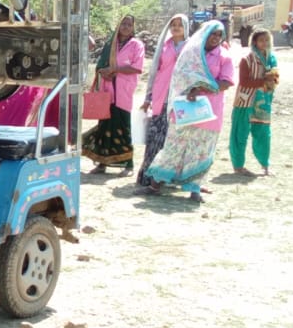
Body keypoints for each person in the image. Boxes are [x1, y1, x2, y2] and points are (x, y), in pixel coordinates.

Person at [142, 20, 235, 203]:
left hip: (209, 112)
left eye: (219, 34)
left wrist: (201, 88)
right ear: (204, 33)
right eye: (212, 33)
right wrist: (189, 89)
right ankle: (155, 185)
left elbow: (226, 82)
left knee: (200, 151)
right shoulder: (191, 53)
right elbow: (179, 74)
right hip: (184, 108)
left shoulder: (224, 56)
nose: (216, 37)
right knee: (173, 147)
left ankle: (195, 190)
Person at [81, 14, 145, 174]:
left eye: (129, 24)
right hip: (107, 91)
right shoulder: (111, 44)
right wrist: (103, 71)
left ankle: (128, 164)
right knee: (104, 127)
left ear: (133, 27)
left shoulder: (136, 45)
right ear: (118, 25)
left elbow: (137, 67)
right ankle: (102, 163)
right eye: (123, 23)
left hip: (123, 91)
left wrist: (115, 69)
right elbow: (100, 65)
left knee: (123, 127)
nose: (126, 27)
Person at [135, 13, 187, 188]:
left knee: (174, 141)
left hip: (180, 99)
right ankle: (148, 177)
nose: (176, 27)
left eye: (180, 24)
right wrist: (148, 98)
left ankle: (168, 178)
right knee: (155, 139)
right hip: (161, 97)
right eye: (173, 24)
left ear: (186, 27)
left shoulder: (190, 47)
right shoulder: (164, 46)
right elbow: (154, 72)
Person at [228, 27, 279, 176]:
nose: (264, 43)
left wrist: (273, 81)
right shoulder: (247, 59)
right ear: (254, 42)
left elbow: (275, 78)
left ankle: (265, 165)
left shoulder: (271, 59)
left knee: (263, 134)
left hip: (263, 102)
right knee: (240, 133)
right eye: (261, 40)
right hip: (245, 101)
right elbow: (244, 81)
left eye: (267, 40)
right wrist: (263, 81)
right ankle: (238, 166)